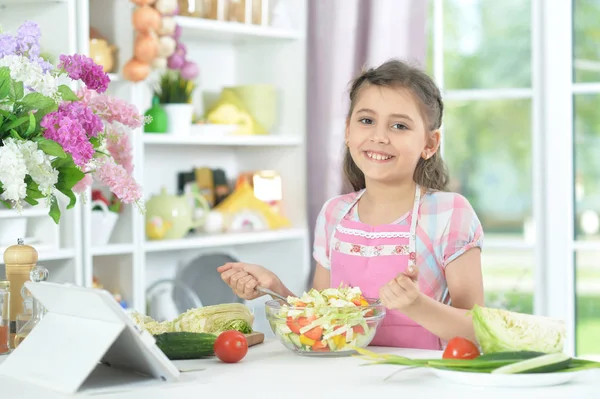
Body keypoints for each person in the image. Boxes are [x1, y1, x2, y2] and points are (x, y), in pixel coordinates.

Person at [218, 59, 484, 350]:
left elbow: (478, 332)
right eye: (366, 121)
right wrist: (275, 289)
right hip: (345, 379)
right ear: (348, 131)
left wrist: (416, 305)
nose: (379, 137)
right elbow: (320, 323)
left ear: (430, 144)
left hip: (423, 380)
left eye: (399, 125)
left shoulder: (450, 214)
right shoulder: (334, 215)